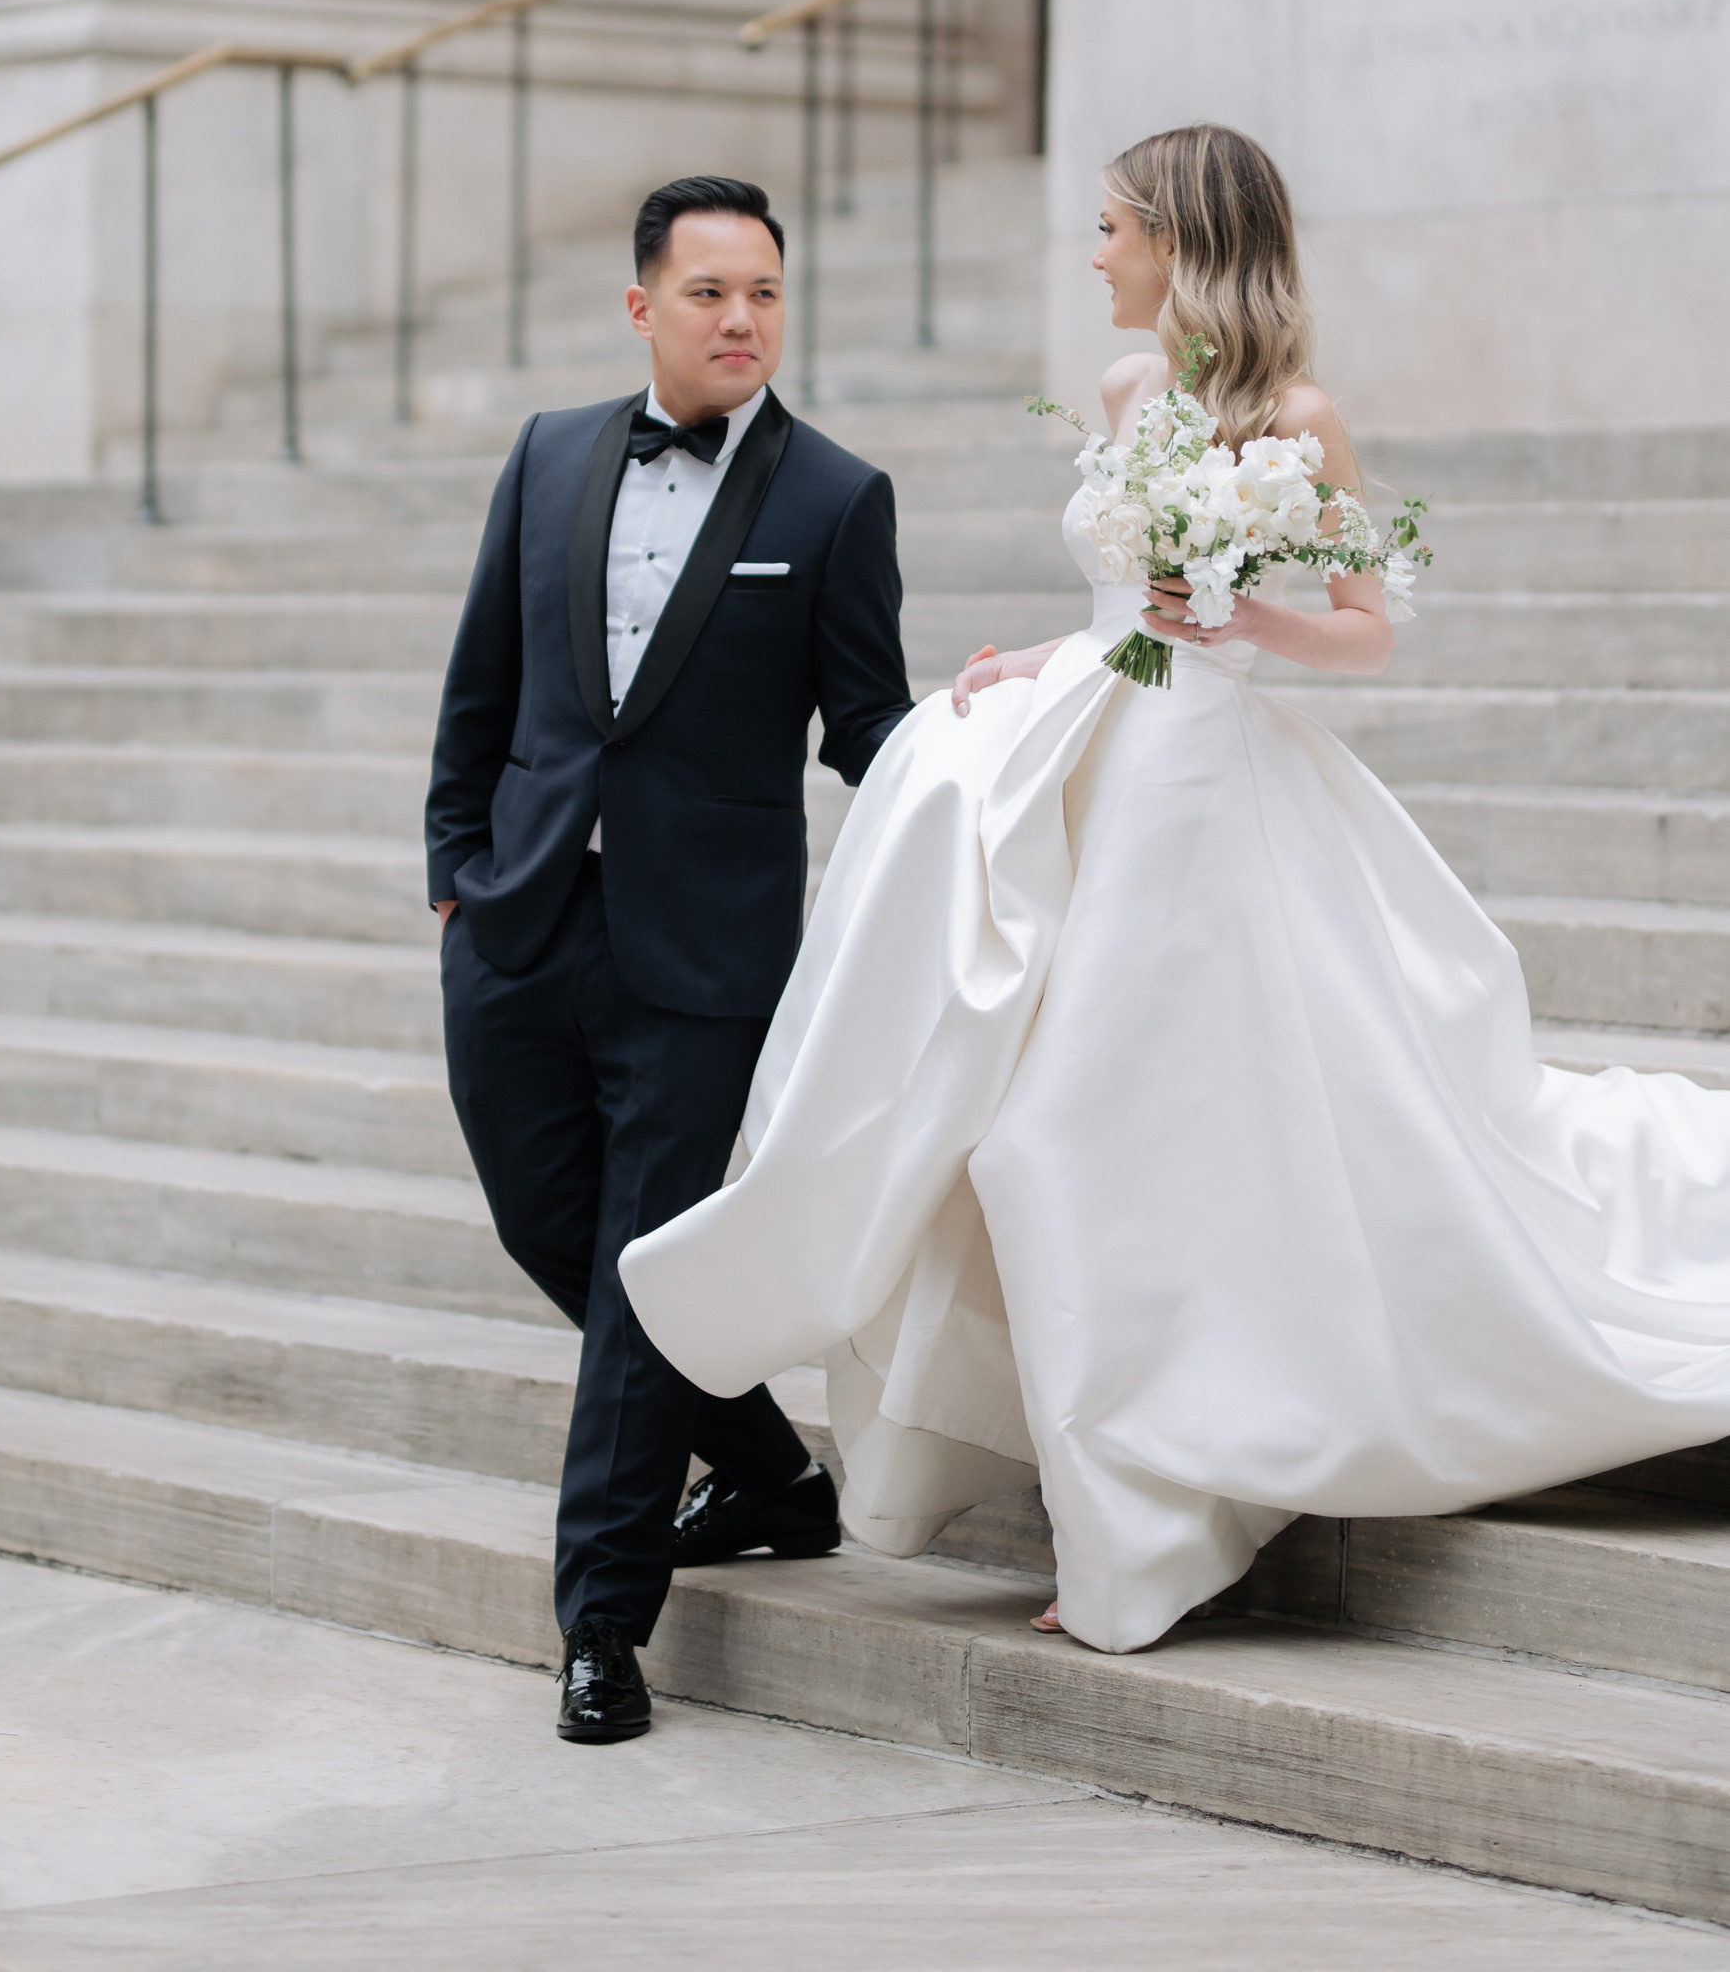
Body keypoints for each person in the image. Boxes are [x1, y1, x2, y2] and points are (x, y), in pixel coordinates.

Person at [620, 123, 1730, 1655]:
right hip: (1099, 760)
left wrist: (1241, 623)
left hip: (1209, 794)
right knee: (1041, 1131)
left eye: (1113, 229)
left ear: (1182, 240)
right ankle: (1125, 1490)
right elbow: (1114, 601)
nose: (1094, 257)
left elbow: (1364, 628)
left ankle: (1147, 1521)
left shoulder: (1299, 417)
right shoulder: (1136, 392)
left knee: (1082, 1136)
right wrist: (1051, 652)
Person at [427, 175, 913, 1740]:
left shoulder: (837, 499)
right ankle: (771, 1473)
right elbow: (483, 679)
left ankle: (599, 1627)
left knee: (642, 1282)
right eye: (710, 293)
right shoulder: (552, 453)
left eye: (765, 292)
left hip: (703, 958)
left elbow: (870, 732)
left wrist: (1004, 730)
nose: (743, 320)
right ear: (645, 307)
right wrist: (455, 869)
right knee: (542, 1225)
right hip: (520, 921)